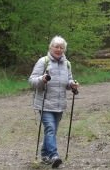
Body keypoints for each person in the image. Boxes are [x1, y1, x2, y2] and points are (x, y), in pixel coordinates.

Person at [28, 35, 79, 168]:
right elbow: (31, 81)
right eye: (56, 46)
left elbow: (67, 82)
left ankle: (44, 155)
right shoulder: (43, 62)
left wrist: (72, 84)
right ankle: (54, 156)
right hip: (44, 104)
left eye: (61, 47)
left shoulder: (67, 64)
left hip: (60, 104)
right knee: (50, 129)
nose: (59, 49)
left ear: (64, 50)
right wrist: (42, 79)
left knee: (51, 131)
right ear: (51, 47)